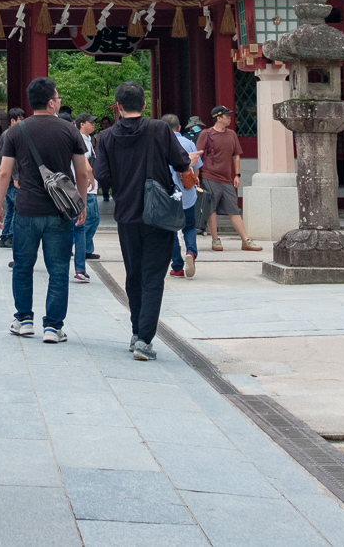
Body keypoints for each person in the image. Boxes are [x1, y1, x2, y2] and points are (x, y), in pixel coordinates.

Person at [92, 81, 192, 361]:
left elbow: (103, 177)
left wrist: (124, 186)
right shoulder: (159, 129)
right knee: (152, 278)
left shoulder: (107, 137)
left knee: (133, 275)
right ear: (144, 105)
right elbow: (181, 162)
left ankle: (137, 332)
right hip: (159, 215)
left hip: (127, 215)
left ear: (118, 107)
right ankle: (145, 340)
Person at [0, 77, 93, 343]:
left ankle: (24, 320)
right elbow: (82, 173)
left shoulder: (16, 131)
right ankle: (53, 327)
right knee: (58, 269)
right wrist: (80, 203)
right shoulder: (69, 131)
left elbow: (4, 173)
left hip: (26, 210)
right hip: (60, 212)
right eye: (58, 98)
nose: (59, 102)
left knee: (23, 266)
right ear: (51, 103)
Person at [194, 105, 260, 253]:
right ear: (218, 118)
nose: (230, 118)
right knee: (211, 210)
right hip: (209, 176)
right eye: (227, 116)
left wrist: (237, 174)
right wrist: (196, 175)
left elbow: (236, 155)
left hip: (227, 179)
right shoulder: (207, 134)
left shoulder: (231, 134)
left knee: (234, 210)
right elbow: (197, 155)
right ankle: (215, 240)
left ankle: (246, 241)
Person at [164, 114, 201, 278]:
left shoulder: (161, 144)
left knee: (171, 231)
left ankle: (177, 266)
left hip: (168, 194)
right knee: (189, 227)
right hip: (187, 193)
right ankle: (191, 253)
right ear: (179, 128)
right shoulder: (189, 143)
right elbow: (197, 168)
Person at [71, 112, 102, 282]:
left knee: (91, 219)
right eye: (91, 122)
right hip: (85, 187)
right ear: (82, 124)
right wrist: (90, 177)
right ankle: (81, 250)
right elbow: (85, 164)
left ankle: (86, 248)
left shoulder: (89, 140)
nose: (93, 125)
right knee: (86, 221)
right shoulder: (80, 139)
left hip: (89, 186)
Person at [0, 108, 25, 248]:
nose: (22, 122)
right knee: (16, 208)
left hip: (9, 178)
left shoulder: (6, 134)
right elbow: (9, 159)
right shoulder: (11, 135)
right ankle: (11, 236)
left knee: (10, 207)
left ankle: (5, 235)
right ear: (13, 120)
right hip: (13, 178)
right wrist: (16, 176)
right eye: (20, 119)